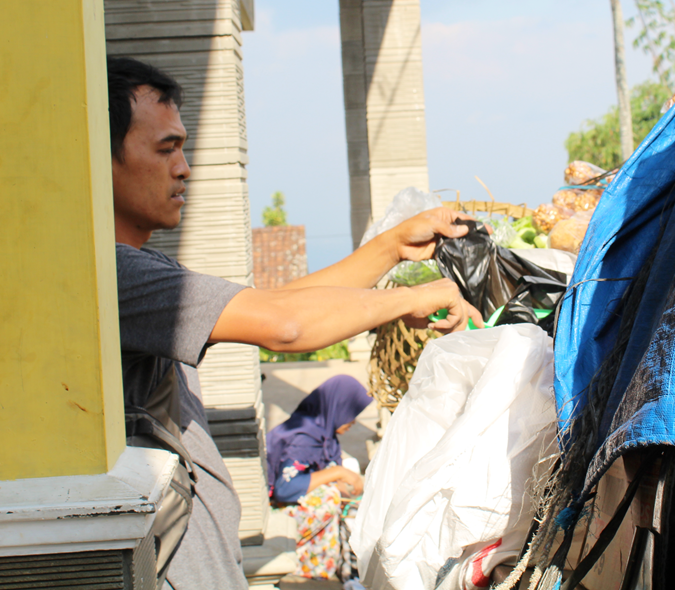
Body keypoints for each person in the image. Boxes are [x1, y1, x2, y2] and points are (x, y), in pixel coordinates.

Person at [109, 56, 481, 589]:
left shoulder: (144, 271)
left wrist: (394, 246)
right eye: (167, 148)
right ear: (103, 159)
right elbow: (284, 325)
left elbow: (276, 303)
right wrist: (409, 300)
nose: (184, 167)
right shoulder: (116, 276)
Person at [265, 375, 373, 580]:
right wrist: (339, 474)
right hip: (277, 512)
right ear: (338, 407)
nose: (353, 421)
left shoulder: (325, 436)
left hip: (292, 508)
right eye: (351, 413)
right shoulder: (304, 437)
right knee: (327, 497)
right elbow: (285, 489)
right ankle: (310, 572)